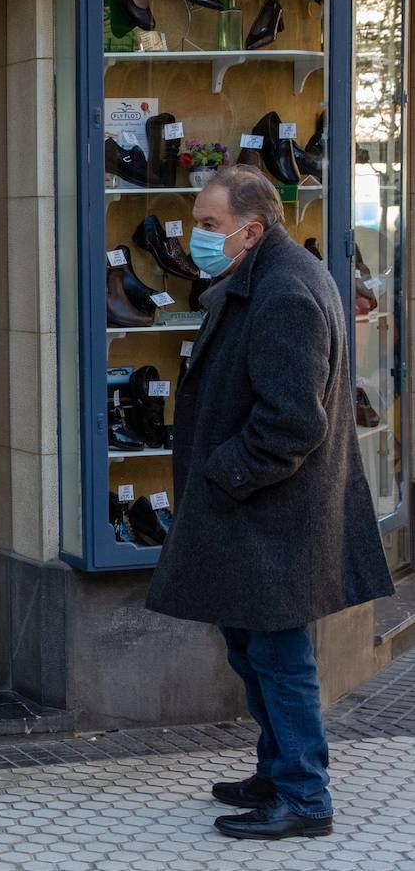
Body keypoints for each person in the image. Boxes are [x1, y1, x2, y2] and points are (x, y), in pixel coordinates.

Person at [146, 165, 393, 840]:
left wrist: (222, 472)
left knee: (280, 659)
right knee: (251, 648)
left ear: (251, 231)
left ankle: (306, 797)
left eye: (208, 225)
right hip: (255, 514)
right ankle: (276, 768)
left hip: (272, 518)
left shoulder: (285, 292)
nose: (194, 235)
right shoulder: (263, 275)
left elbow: (292, 422)